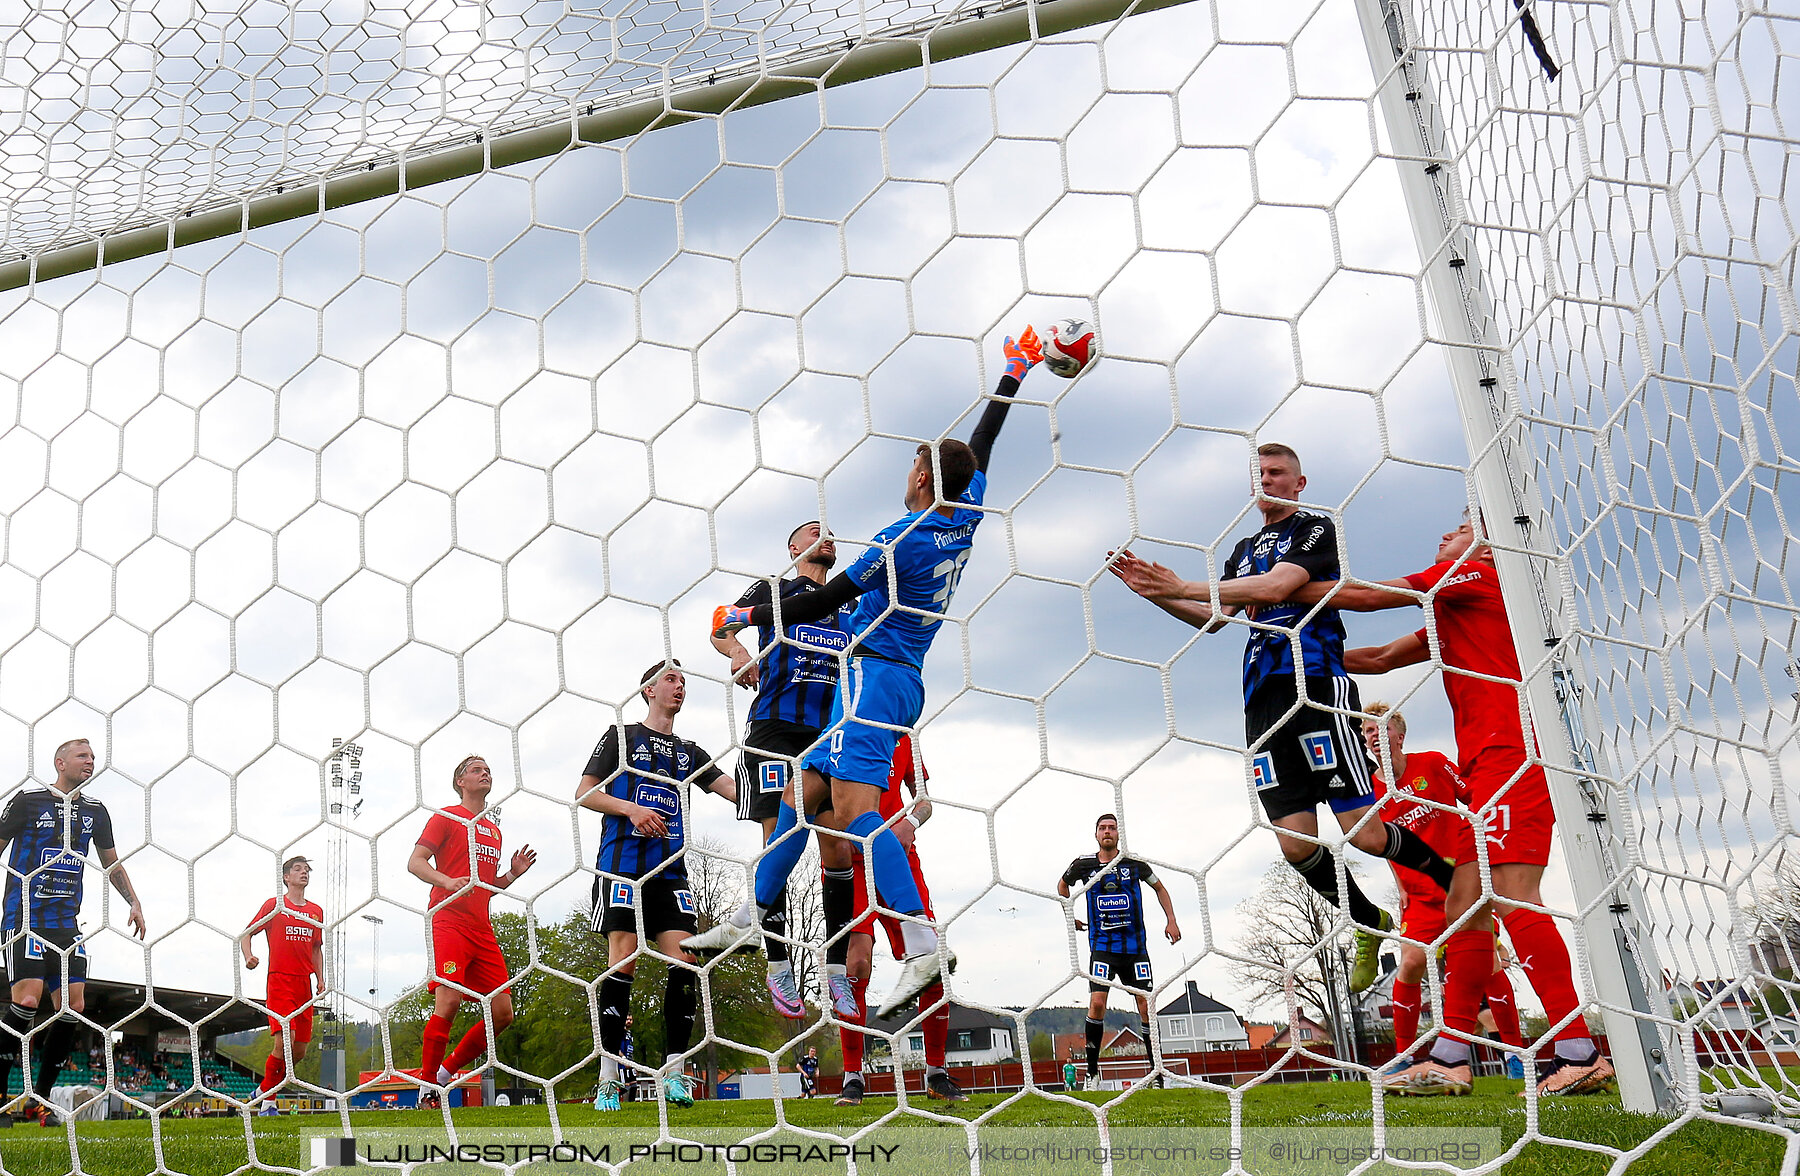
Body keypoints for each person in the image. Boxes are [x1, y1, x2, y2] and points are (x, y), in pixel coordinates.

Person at [689, 328, 1048, 1019]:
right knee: (802, 793)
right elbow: (984, 446)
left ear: (919, 477)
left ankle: (920, 944)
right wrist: (1014, 374)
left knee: (856, 813)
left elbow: (829, 598)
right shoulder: (963, 514)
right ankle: (749, 914)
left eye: (913, 461)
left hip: (877, 676)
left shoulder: (899, 538)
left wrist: (767, 615)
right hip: (885, 678)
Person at [1108, 444, 1456, 992]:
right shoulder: (1243, 549)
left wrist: (1182, 585)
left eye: (1276, 473)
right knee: (1295, 846)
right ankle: (1369, 921)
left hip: (1316, 688)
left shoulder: (1315, 530)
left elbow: (1276, 588)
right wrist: (1154, 593)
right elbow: (1215, 619)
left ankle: (1454, 884)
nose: (1266, 480)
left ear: (1299, 482)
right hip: (1262, 702)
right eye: (1259, 474)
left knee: (1362, 836)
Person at [1287, 514, 1614, 1097]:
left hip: (1511, 753)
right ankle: (1451, 1057)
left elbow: (1367, 597)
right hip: (1488, 762)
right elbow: (1385, 656)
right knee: (1467, 907)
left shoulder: (1473, 576)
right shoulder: (1455, 606)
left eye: (1461, 526)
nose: (1445, 534)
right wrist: (1302, 660)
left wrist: (1269, 593)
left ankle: (1577, 1049)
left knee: (1513, 894)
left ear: (1487, 543)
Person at [711, 521, 853, 1017]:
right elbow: (721, 624)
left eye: (833, 532)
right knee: (779, 844)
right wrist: (740, 651)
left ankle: (836, 971)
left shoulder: (847, 598)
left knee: (837, 846)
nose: (828, 537)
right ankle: (779, 967)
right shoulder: (774, 591)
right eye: (816, 532)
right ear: (794, 547)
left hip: (829, 735)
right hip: (775, 729)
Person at [579, 660, 735, 1112]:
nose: (679, 686)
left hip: (670, 874)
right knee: (622, 958)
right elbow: (585, 792)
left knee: (687, 960)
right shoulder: (620, 736)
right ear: (648, 689)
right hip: (621, 867)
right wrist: (631, 810)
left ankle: (673, 1071)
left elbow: (732, 789)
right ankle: (609, 1076)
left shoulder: (689, 751)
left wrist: (786, 780)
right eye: (670, 679)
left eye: (683, 681)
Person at [1362, 705, 1519, 1072]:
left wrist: (1483, 853)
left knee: (1490, 965)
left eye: (1378, 729)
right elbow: (1381, 840)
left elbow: (1474, 800)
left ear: (1399, 735)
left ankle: (1515, 1055)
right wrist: (1399, 884)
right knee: (1412, 963)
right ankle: (1403, 1059)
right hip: (1420, 896)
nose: (1372, 736)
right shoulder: (1370, 789)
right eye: (1367, 731)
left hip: (1461, 887)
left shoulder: (1433, 764)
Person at [0, 738, 146, 1126]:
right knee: (28, 1002)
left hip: (65, 922)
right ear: (59, 762)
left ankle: (39, 1099)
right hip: (23, 918)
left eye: (93, 757)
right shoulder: (28, 802)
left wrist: (133, 901)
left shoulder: (95, 811)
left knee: (73, 1005)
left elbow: (111, 864)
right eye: (83, 756)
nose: (90, 761)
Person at [835, 735, 963, 1106]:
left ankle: (936, 1073)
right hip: (850, 865)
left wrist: (910, 821)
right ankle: (852, 1076)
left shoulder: (906, 738)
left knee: (932, 962)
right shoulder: (841, 730)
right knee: (854, 964)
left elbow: (924, 801)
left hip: (898, 860)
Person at [407, 756, 537, 1098]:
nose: (485, 773)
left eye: (488, 770)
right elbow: (415, 862)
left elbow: (488, 886)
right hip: (448, 922)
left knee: (502, 1012)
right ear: (460, 781)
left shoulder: (493, 830)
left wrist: (511, 874)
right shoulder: (446, 816)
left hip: (481, 929)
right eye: (477, 769)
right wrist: (446, 881)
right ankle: (427, 1086)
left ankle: (447, 1071)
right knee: (448, 1003)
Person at [1058, 814, 1180, 1089]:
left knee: (1145, 1006)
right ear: (1096, 834)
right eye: (1103, 828)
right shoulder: (1083, 865)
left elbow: (1160, 887)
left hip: (1135, 948)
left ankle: (1156, 1074)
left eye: (1112, 828)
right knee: (1097, 1004)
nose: (1108, 832)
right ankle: (1092, 1074)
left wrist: (1171, 920)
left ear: (1118, 834)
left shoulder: (1134, 865)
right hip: (1102, 947)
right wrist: (1070, 916)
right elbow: (1062, 886)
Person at [240, 856, 325, 1114]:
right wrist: (249, 957)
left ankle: (262, 1090)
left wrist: (320, 978)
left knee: (299, 1051)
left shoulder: (315, 911)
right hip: (280, 981)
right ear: (286, 877)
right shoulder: (275, 905)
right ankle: (268, 1104)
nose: (304, 873)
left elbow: (316, 948)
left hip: (304, 986)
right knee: (284, 1043)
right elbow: (246, 933)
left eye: (307, 869)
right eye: (298, 869)